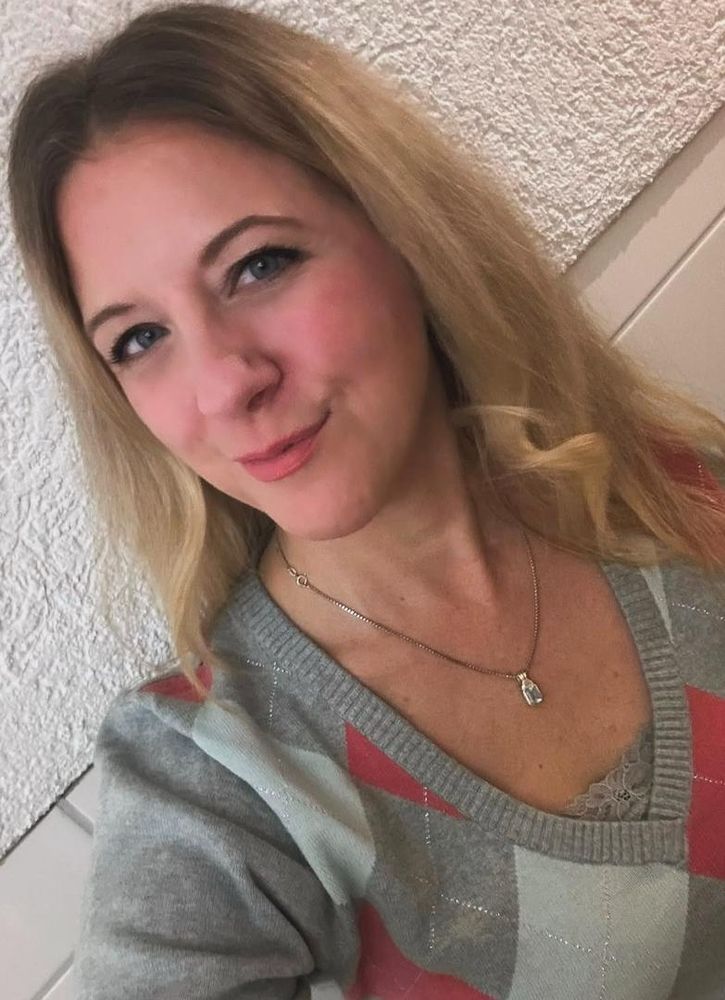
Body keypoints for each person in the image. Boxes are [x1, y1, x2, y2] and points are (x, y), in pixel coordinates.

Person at [7, 3, 725, 997]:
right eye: (139, 338)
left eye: (257, 266)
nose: (223, 385)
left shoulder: (668, 485)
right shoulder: (213, 780)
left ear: (404, 235)